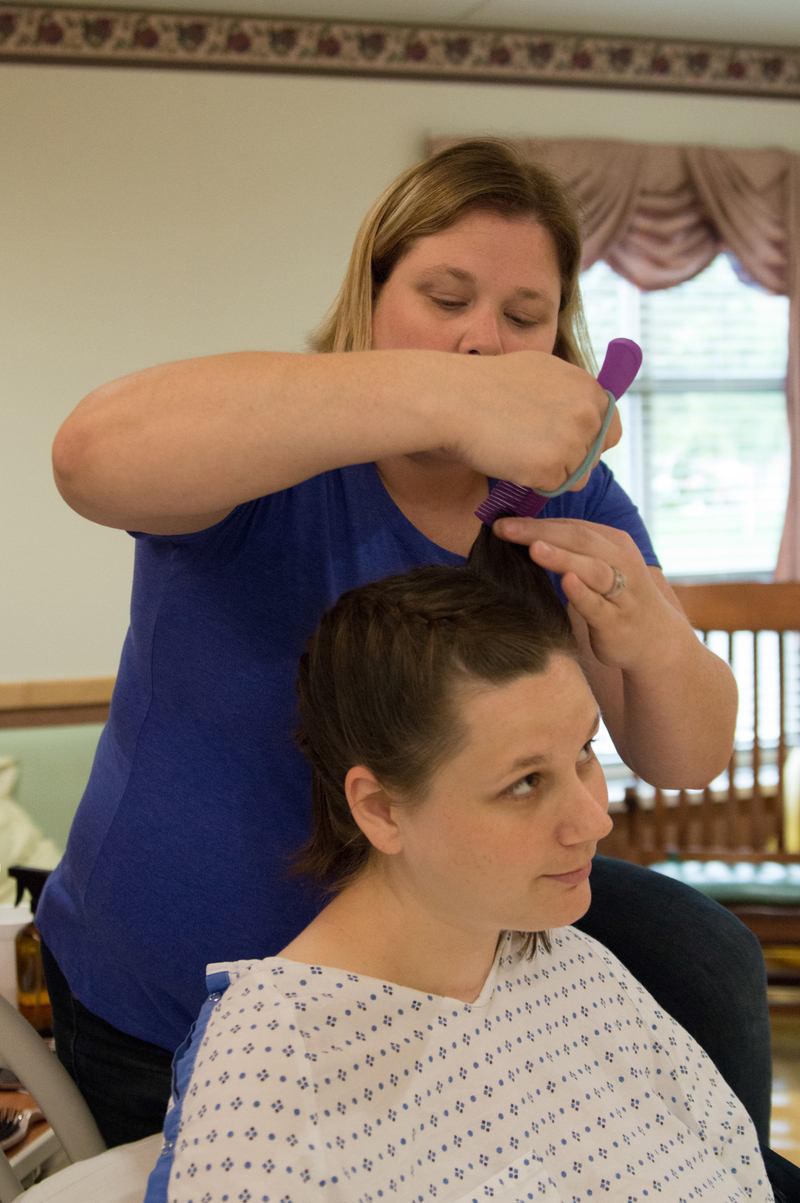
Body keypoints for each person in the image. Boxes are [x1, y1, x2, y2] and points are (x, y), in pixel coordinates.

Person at [40, 139, 760, 1151]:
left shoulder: (572, 497)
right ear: (372, 297)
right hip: (166, 1002)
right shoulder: (275, 452)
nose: (482, 340)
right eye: (444, 297)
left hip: (430, 1005)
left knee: (697, 955)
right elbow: (89, 458)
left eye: (522, 317)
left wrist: (646, 625)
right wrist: (446, 396)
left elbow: (686, 753)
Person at [145, 534, 779, 1203]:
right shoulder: (276, 1065)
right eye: (526, 782)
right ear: (382, 808)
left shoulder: (576, 967)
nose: (596, 820)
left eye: (584, 751)